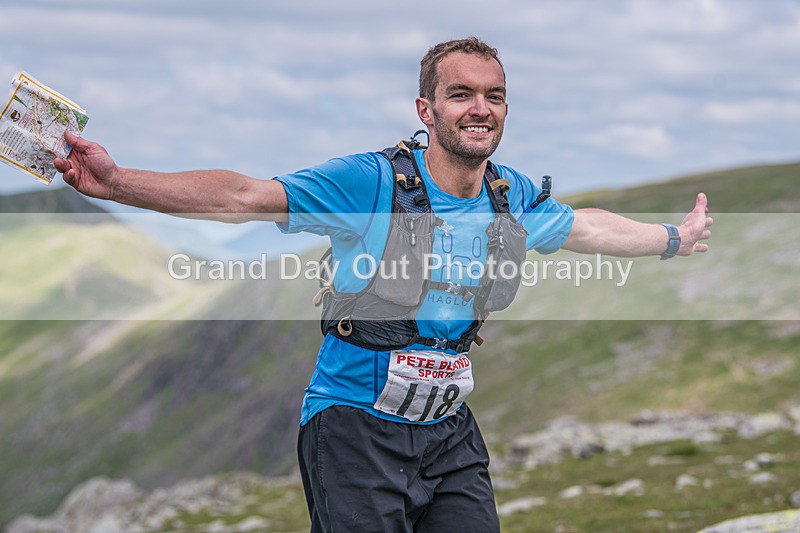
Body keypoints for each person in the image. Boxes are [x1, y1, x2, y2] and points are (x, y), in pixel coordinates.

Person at [55, 37, 712, 533]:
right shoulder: (369, 182)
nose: (480, 108)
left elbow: (588, 229)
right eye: (461, 94)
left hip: (447, 428)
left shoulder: (508, 196)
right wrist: (116, 183)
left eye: (494, 95)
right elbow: (243, 195)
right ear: (427, 109)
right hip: (353, 427)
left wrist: (673, 239)